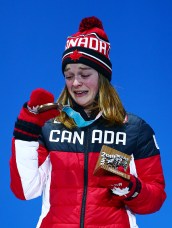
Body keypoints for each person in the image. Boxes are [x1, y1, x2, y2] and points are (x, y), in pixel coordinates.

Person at [10, 16, 166, 228]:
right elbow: (25, 191)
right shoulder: (50, 126)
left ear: (102, 76)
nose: (76, 83)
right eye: (68, 75)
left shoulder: (133, 129)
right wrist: (25, 134)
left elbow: (155, 200)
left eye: (84, 74)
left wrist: (130, 188)